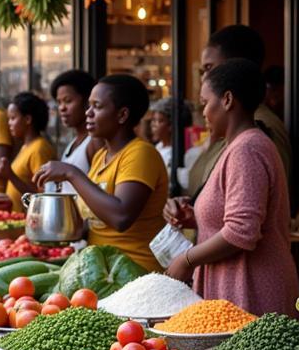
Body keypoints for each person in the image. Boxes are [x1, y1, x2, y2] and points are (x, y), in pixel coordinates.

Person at [165, 60, 298, 315]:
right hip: (237, 287)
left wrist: (187, 259)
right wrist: (195, 217)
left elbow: (241, 231)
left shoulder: (246, 149)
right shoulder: (237, 147)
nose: (203, 113)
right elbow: (234, 217)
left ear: (227, 100)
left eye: (205, 103)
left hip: (249, 290)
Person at [35, 74, 168, 272]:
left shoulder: (141, 153)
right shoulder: (101, 157)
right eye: (89, 105)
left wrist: (72, 173)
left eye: (97, 106)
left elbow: (121, 217)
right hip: (100, 269)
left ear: (122, 115)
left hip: (134, 272)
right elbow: (95, 222)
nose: (88, 113)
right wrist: (51, 229)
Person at [186, 25, 292, 196]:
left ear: (235, 66)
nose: (204, 78)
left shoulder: (260, 130)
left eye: (209, 68)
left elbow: (250, 212)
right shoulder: (229, 124)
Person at [0, 92, 58, 208]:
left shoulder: (40, 149)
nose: (9, 123)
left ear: (27, 119)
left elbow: (42, 197)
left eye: (13, 118)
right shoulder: (26, 146)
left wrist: (10, 175)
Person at [50, 70, 100, 175]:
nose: (62, 108)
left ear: (87, 101)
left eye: (68, 101)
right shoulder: (74, 142)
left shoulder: (95, 142)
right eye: (59, 102)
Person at [149, 97, 193, 172]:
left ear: (171, 126)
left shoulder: (177, 154)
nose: (153, 125)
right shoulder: (159, 146)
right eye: (153, 120)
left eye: (159, 121)